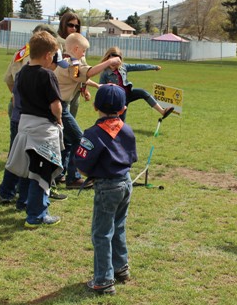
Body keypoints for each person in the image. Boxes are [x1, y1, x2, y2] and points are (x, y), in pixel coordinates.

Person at [74, 84, 138, 295]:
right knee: (118, 226)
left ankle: (103, 280)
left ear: (94, 106)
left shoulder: (93, 133)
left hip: (107, 187)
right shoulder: (127, 129)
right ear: (123, 109)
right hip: (126, 183)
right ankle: (121, 267)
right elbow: (132, 157)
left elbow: (82, 165)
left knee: (101, 234)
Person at [3, 31, 66, 228]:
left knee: (27, 169)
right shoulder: (47, 75)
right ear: (48, 55)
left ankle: (23, 202)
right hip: (42, 130)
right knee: (41, 172)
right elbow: (56, 105)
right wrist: (59, 118)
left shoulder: (21, 74)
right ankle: (36, 216)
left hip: (24, 126)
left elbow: (16, 98)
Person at [55, 32, 122, 189]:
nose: (84, 54)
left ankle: (59, 173)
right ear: (76, 48)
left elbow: (78, 77)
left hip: (59, 106)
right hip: (61, 107)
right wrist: (109, 62)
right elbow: (87, 72)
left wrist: (97, 86)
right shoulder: (73, 63)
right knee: (80, 139)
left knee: (68, 140)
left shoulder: (65, 62)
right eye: (83, 51)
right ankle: (73, 178)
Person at [99, 46, 175, 121]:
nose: (114, 64)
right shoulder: (105, 73)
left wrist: (153, 67)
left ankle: (162, 111)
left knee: (143, 93)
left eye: (116, 62)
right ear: (107, 58)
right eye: (112, 61)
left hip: (128, 93)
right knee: (121, 121)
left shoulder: (123, 67)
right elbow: (101, 88)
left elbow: (138, 66)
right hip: (119, 99)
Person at [57, 12, 86, 117]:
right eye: (70, 25)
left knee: (71, 119)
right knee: (63, 121)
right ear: (63, 24)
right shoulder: (57, 43)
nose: (74, 28)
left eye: (77, 26)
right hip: (62, 89)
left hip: (76, 89)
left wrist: (84, 88)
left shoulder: (80, 43)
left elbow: (82, 66)